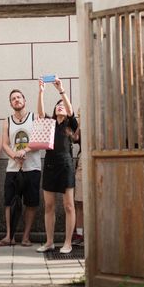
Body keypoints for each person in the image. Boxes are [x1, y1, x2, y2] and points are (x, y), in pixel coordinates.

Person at [0, 89, 41, 247]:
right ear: (11, 103)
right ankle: (9, 236)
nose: (16, 100)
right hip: (13, 168)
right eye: (13, 98)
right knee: (9, 201)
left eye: (19, 97)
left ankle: (26, 237)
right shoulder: (7, 120)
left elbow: (39, 139)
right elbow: (5, 144)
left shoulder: (34, 117)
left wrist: (24, 151)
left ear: (24, 100)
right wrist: (14, 155)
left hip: (32, 167)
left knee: (31, 203)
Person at [35, 77, 78, 254]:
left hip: (66, 165)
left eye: (63, 105)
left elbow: (70, 110)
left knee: (68, 205)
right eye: (57, 104)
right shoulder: (49, 123)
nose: (60, 106)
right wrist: (41, 91)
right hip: (50, 166)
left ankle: (67, 242)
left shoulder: (70, 124)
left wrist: (61, 91)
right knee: (49, 205)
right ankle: (50, 242)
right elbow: (40, 112)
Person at [71, 116, 84, 246]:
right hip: (82, 162)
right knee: (79, 203)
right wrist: (80, 122)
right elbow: (75, 138)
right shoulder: (81, 124)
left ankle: (94, 234)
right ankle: (80, 234)